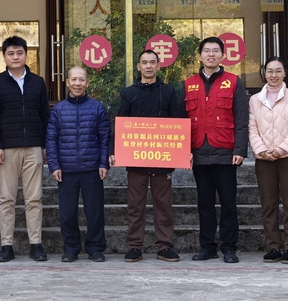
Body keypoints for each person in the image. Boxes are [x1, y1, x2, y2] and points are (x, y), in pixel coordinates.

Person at [110, 49, 185, 262]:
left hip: (163, 158)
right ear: (139, 66)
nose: (149, 66)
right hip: (136, 158)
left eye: (153, 62)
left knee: (164, 205)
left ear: (158, 66)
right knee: (135, 205)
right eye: (145, 62)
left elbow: (178, 121)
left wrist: (184, 151)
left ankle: (165, 246)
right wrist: (113, 150)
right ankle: (134, 246)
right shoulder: (129, 93)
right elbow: (121, 122)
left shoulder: (168, 92)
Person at [0, 35, 50, 262]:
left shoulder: (37, 82)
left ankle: (36, 244)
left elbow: (44, 115)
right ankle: (6, 246)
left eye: (19, 53)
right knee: (7, 199)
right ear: (4, 57)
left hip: (33, 147)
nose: (15, 57)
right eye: (10, 53)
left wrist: (45, 145)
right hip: (7, 149)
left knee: (34, 198)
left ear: (26, 55)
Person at [184, 37, 248, 264]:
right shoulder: (188, 83)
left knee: (228, 203)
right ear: (200, 55)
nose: (211, 54)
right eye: (206, 51)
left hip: (225, 152)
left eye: (215, 51)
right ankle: (207, 247)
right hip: (199, 152)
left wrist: (240, 149)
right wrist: (184, 150)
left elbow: (242, 118)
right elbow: (183, 121)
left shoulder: (234, 82)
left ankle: (229, 247)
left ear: (222, 55)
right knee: (204, 204)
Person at [46, 66, 110, 263]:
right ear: (67, 82)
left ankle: (95, 248)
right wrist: (54, 165)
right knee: (67, 214)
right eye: (74, 79)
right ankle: (71, 248)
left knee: (95, 212)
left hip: (92, 168)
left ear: (87, 83)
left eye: (81, 80)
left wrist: (103, 163)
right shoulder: (58, 110)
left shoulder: (97, 107)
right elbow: (51, 139)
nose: (77, 83)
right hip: (66, 170)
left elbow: (104, 137)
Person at [248, 56, 288, 264]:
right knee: (268, 204)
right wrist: (262, 150)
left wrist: (281, 149)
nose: (274, 75)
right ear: (264, 74)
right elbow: (252, 128)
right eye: (270, 71)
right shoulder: (255, 100)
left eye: (278, 71)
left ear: (285, 73)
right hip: (264, 159)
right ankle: (272, 246)